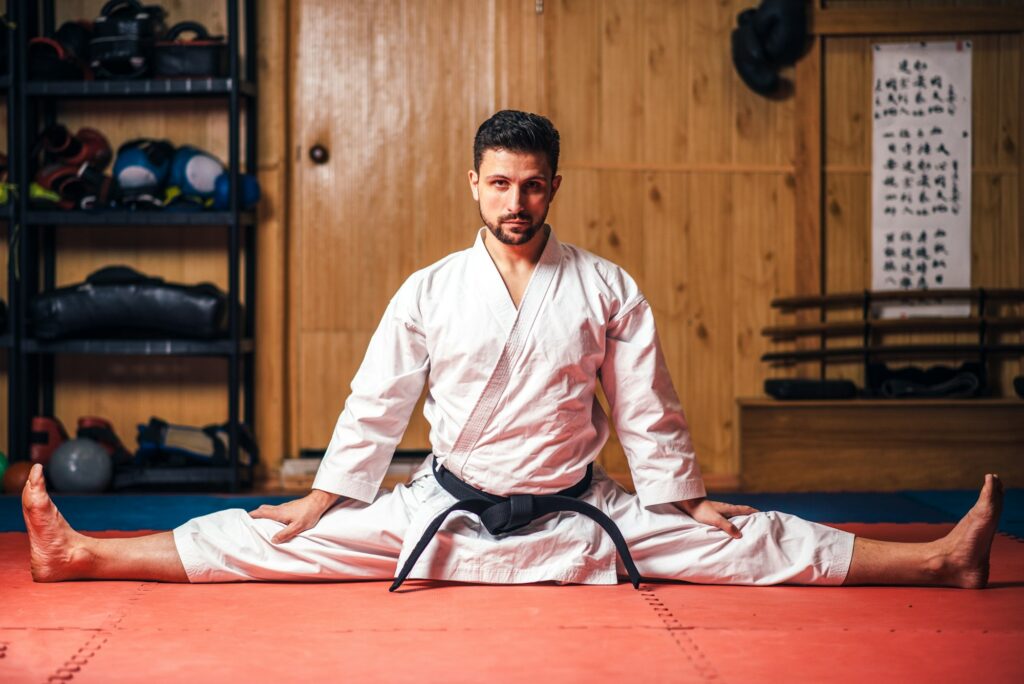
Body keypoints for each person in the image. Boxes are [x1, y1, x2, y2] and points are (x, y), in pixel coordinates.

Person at [24, 110, 1003, 589]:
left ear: (555, 187)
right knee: (267, 537)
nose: (515, 203)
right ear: (472, 185)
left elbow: (645, 407)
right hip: (437, 515)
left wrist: (686, 497)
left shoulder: (606, 286)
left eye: (532, 186)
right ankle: (85, 556)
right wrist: (322, 500)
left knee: (743, 541)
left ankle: (935, 564)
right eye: (499, 185)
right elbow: (377, 404)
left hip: (580, 516)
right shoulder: (430, 290)